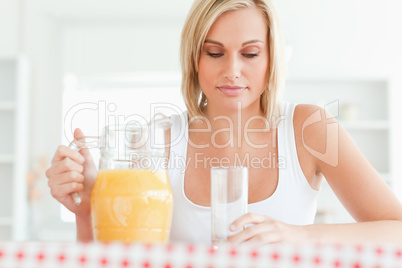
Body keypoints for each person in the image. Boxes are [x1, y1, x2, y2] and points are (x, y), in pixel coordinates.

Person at [46, 0, 402, 245]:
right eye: (214, 53)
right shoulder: (155, 141)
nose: (232, 71)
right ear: (194, 60)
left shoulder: (310, 128)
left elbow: (397, 230)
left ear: (271, 58)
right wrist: (87, 209)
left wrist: (299, 235)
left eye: (250, 53)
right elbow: (118, 258)